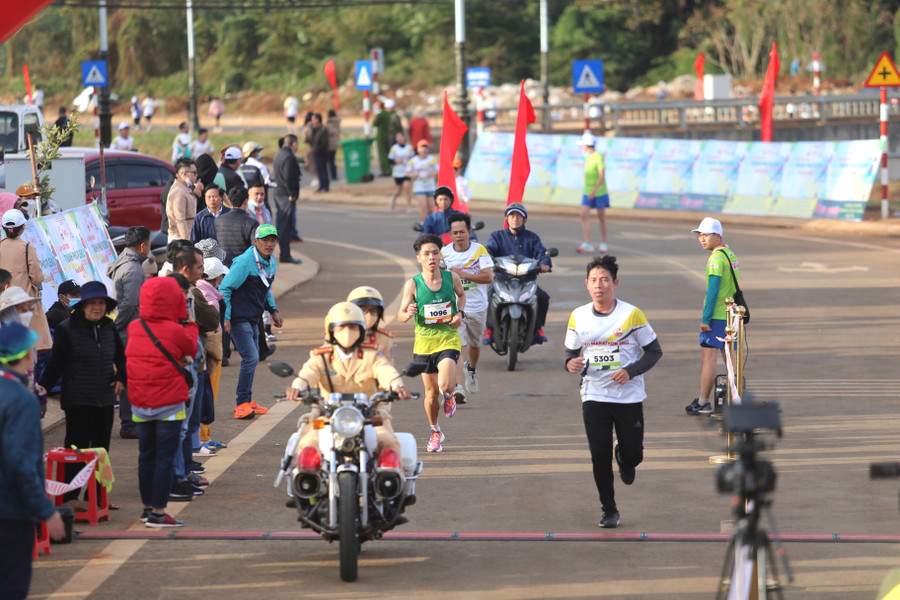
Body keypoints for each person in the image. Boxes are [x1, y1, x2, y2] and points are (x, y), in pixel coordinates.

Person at [564, 255, 662, 528]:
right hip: (593, 394)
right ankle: (609, 509)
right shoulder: (578, 315)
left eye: (604, 280)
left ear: (615, 283)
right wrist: (569, 363)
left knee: (634, 455)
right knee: (598, 454)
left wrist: (631, 371)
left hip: (628, 395)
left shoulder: (632, 314)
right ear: (586, 284)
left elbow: (654, 351)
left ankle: (625, 458)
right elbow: (570, 352)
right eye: (594, 280)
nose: (599, 285)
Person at [285, 302, 412, 464]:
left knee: (389, 442)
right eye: (341, 328)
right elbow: (306, 374)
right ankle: (306, 484)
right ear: (331, 331)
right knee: (308, 444)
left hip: (369, 416)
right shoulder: (321, 357)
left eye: (353, 327)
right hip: (327, 417)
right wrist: (297, 388)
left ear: (361, 331)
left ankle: (392, 482)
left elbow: (387, 371)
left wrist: (397, 386)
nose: (347, 333)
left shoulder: (372, 354)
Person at [39, 281, 126, 506]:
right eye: (92, 303)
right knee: (76, 450)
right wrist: (42, 388)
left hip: (104, 400)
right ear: (83, 305)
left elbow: (121, 358)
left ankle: (96, 497)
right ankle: (69, 496)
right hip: (77, 399)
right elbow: (55, 364)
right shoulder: (67, 329)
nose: (97, 307)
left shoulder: (109, 326)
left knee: (101, 451)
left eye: (101, 303)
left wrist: (120, 378)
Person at [126, 276, 199, 527]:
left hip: (140, 404)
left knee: (146, 456)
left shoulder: (135, 326)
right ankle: (158, 512)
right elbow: (191, 350)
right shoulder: (176, 330)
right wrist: (190, 323)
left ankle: (147, 509)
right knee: (165, 458)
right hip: (169, 405)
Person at [0, 322, 66, 598]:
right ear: (28, 352)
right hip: (11, 511)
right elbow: (21, 463)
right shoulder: (22, 399)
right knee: (12, 586)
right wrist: (46, 510)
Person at [397, 233, 465, 453]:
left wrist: (460, 313)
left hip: (448, 337)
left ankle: (450, 396)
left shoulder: (451, 278)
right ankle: (435, 431)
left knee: (445, 385)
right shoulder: (413, 284)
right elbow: (400, 314)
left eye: (435, 252)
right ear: (419, 258)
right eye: (426, 254)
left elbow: (461, 295)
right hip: (424, 343)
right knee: (430, 393)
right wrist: (407, 313)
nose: (431, 257)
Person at [219, 224, 284, 419]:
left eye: (272, 240)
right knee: (251, 358)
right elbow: (225, 289)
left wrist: (274, 310)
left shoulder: (270, 262)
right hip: (238, 317)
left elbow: (266, 288)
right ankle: (241, 403)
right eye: (265, 240)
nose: (269, 244)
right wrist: (227, 317)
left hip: (254, 317)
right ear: (255, 241)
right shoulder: (245, 262)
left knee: (252, 359)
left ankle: (247, 400)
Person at [686, 217, 741, 416]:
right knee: (729, 359)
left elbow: (713, 292)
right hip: (730, 314)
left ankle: (703, 402)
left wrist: (705, 319)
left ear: (717, 236)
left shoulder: (716, 259)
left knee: (708, 359)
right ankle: (737, 398)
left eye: (706, 235)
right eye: (700, 235)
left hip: (717, 317)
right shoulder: (730, 254)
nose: (702, 239)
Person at [484, 202, 552, 344]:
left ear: (524, 219)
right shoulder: (497, 236)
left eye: (519, 216)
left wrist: (545, 264)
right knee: (490, 294)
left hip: (526, 280)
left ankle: (537, 328)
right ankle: (490, 329)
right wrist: (488, 259)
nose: (515, 218)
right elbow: (488, 250)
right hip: (503, 279)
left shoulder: (532, 238)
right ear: (506, 218)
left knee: (543, 297)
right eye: (512, 215)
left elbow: (542, 253)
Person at [442, 212, 493, 397]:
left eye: (462, 232)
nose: (459, 236)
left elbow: (488, 277)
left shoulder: (480, 250)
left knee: (474, 344)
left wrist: (463, 275)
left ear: (469, 232)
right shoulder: (444, 253)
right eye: (455, 232)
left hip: (478, 306)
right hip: (456, 307)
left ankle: (471, 369)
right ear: (450, 234)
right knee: (457, 345)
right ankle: (457, 387)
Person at [107, 226, 151, 439]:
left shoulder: (124, 261)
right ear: (142, 245)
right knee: (131, 378)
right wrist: (117, 328)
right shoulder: (133, 269)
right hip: (128, 331)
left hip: (125, 329)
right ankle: (128, 424)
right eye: (149, 245)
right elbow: (128, 304)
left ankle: (130, 422)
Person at [0, 209, 52, 352]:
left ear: (4, 229)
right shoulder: (28, 248)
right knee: (30, 350)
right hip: (24, 306)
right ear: (22, 228)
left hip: (3, 306)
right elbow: (37, 278)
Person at [196, 257, 228, 451]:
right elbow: (211, 327)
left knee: (205, 394)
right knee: (208, 394)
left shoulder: (201, 290)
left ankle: (204, 436)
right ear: (216, 278)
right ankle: (202, 438)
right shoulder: (209, 297)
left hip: (204, 348)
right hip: (209, 348)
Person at [272, 134, 302, 264]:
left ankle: (285, 254)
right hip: (285, 194)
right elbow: (288, 177)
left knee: (282, 225)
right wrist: (292, 193)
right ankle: (285, 255)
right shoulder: (288, 157)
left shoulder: (279, 153)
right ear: (294, 144)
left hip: (279, 193)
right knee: (285, 227)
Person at [578, 133, 609, 254]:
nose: (582, 147)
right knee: (583, 215)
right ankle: (587, 242)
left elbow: (602, 176)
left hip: (599, 191)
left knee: (601, 217)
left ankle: (603, 243)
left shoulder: (599, 157)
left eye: (583, 144)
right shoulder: (587, 156)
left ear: (587, 144)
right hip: (587, 191)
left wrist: (594, 191)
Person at [214, 187, 259, 266]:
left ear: (230, 202)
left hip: (223, 268)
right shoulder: (252, 223)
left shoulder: (218, 220)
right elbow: (255, 250)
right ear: (246, 201)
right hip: (244, 268)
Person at [347, 286, 393, 361]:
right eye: (363, 309)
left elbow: (388, 368)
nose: (368, 315)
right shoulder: (340, 334)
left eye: (373, 310)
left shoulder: (384, 339)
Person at [167, 159, 203, 241]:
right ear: (184, 174)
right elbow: (180, 219)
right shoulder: (179, 192)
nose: (196, 175)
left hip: (186, 237)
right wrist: (187, 241)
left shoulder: (185, 189)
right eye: (194, 173)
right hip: (180, 239)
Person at [408, 140, 438, 223]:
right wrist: (413, 175)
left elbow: (438, 170)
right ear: (418, 149)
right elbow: (407, 173)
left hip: (430, 186)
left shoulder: (432, 159)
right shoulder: (413, 160)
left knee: (431, 209)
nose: (424, 149)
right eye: (422, 147)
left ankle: (431, 226)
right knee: (423, 206)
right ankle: (423, 226)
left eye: (426, 147)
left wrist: (432, 173)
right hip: (419, 187)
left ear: (428, 149)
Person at [388, 131, 414, 212]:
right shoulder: (394, 148)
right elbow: (390, 160)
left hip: (407, 171)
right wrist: (396, 161)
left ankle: (409, 206)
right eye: (397, 137)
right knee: (399, 190)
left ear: (404, 137)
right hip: (398, 172)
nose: (399, 138)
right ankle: (394, 198)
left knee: (407, 188)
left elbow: (413, 159)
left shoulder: (409, 148)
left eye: (400, 137)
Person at [373, 99, 395, 176]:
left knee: (382, 155)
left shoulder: (381, 115)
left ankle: (385, 171)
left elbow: (374, 123)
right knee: (387, 154)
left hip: (381, 137)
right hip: (388, 137)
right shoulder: (389, 114)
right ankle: (389, 169)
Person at [310, 113, 330, 193]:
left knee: (323, 170)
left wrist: (317, 149)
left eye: (313, 119)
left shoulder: (323, 129)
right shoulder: (315, 129)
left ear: (318, 119)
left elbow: (324, 142)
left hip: (321, 153)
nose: (312, 121)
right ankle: (321, 186)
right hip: (316, 153)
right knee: (319, 169)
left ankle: (324, 187)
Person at [325, 109, 341, 181]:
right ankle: (334, 175)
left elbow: (327, 133)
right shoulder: (337, 122)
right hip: (336, 143)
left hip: (330, 143)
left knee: (329, 161)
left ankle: (332, 175)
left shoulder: (329, 123)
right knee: (332, 160)